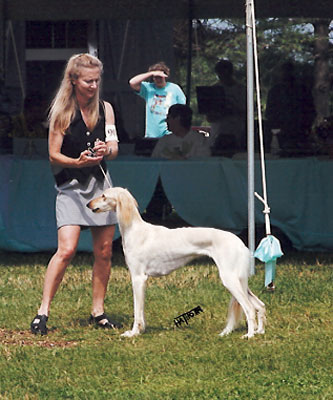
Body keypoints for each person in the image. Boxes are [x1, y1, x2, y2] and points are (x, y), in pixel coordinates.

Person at [30, 53, 121, 335]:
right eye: (88, 81)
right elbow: (53, 156)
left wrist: (108, 149)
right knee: (66, 249)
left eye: (97, 80)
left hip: (100, 186)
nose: (94, 86)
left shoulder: (106, 108)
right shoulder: (62, 112)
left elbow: (115, 147)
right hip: (70, 186)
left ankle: (98, 311)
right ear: (73, 80)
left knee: (104, 251)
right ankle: (42, 311)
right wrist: (77, 162)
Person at [265, 61, 316, 152]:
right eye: (284, 71)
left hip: (301, 134)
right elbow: (270, 113)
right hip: (281, 134)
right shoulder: (275, 91)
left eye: (289, 71)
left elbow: (310, 111)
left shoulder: (303, 90)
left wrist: (305, 127)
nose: (286, 74)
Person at [129, 61, 186, 139]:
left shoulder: (175, 88)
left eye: (160, 77)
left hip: (170, 135)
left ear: (165, 76)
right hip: (151, 136)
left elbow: (183, 111)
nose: (158, 79)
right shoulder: (148, 88)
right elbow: (132, 82)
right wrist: (151, 73)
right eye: (156, 77)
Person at [205, 59, 246, 154]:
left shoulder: (241, 90)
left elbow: (247, 112)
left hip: (237, 133)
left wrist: (232, 109)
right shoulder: (213, 90)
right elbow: (209, 117)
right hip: (218, 132)